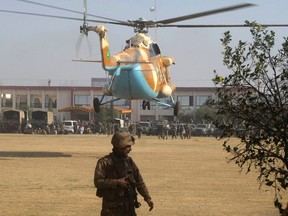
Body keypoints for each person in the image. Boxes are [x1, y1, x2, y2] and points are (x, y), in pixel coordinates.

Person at [94, 131, 154, 216]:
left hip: (128, 208)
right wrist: (117, 182)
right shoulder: (104, 162)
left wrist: (147, 198)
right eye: (128, 146)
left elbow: (139, 181)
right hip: (111, 210)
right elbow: (98, 182)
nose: (130, 149)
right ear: (119, 146)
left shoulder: (129, 161)